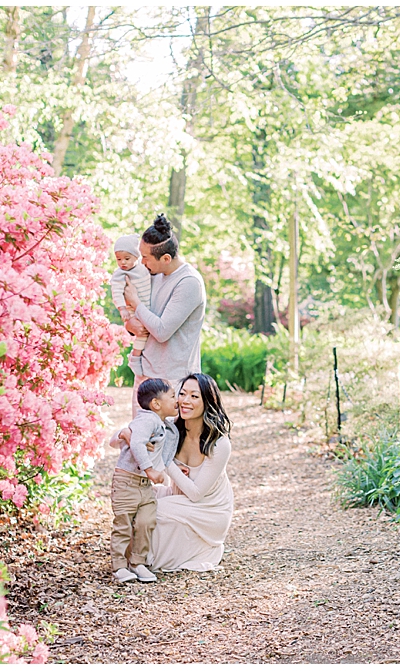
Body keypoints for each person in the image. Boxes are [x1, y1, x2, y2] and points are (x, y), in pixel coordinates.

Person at [114, 373, 234, 572]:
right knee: (135, 500)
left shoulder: (219, 444)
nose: (185, 401)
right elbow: (133, 441)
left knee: (153, 511)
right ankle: (131, 558)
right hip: (179, 495)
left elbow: (196, 494)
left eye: (194, 396)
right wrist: (127, 434)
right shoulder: (172, 430)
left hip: (209, 509)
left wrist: (167, 463)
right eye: (183, 394)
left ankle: (144, 560)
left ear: (208, 401)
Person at [123, 213, 207, 418]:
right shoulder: (153, 275)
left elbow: (161, 331)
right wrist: (129, 323)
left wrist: (136, 302)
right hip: (145, 376)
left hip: (173, 384)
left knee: (167, 446)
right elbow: (138, 317)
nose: (141, 263)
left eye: (146, 258)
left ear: (166, 258)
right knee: (141, 443)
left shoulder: (189, 283)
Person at [109, 378, 178, 584]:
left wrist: (168, 466)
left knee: (146, 521)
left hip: (144, 486)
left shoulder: (162, 424)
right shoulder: (147, 420)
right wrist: (149, 469)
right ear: (156, 404)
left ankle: (138, 562)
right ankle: (119, 566)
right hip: (127, 481)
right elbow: (137, 443)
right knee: (123, 525)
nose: (177, 400)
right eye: (173, 396)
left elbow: (158, 451)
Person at [110, 234, 153, 376]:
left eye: (127, 259)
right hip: (133, 310)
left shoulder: (143, 268)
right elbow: (116, 292)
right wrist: (122, 308)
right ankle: (135, 357)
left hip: (146, 306)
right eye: (118, 259)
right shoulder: (120, 274)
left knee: (146, 334)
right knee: (142, 334)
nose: (123, 262)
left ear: (136, 257)